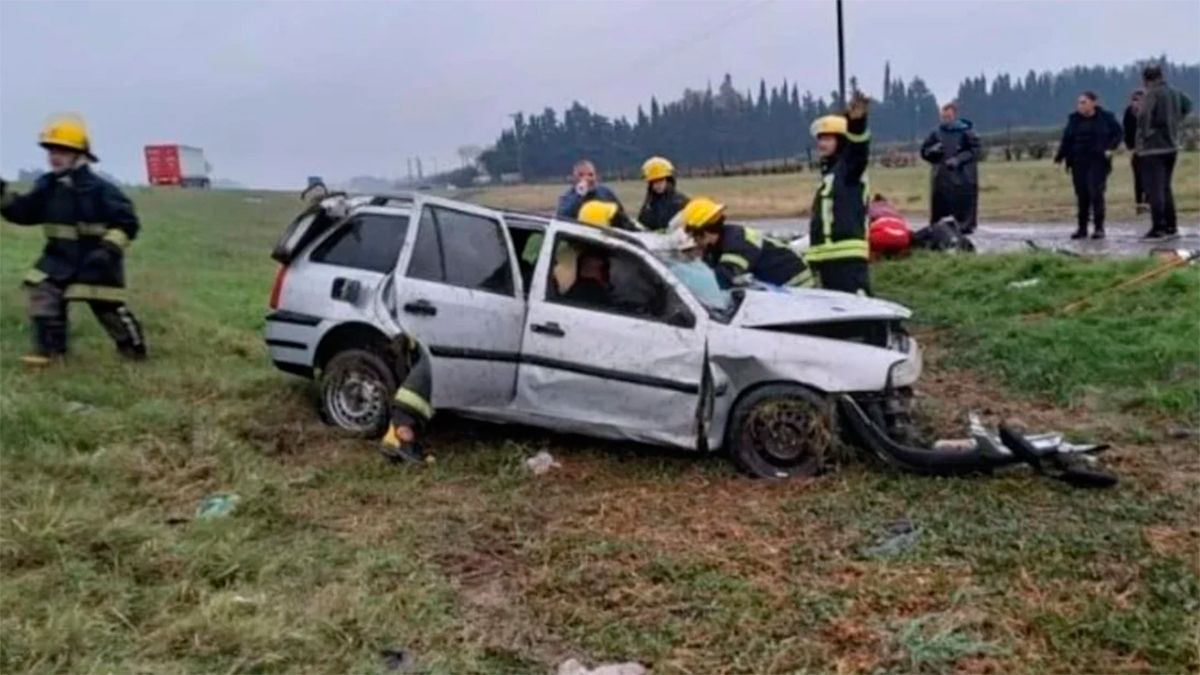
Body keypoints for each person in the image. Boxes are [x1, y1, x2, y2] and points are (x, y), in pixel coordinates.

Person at [0, 114, 147, 365]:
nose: (54, 156)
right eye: (51, 150)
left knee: (107, 308)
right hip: (58, 259)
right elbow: (26, 212)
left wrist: (108, 250)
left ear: (80, 155)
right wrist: (3, 197)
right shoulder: (47, 185)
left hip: (95, 260)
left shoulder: (102, 190)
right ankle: (52, 353)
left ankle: (133, 349)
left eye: (62, 151)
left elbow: (127, 223)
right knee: (43, 293)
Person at [806, 93, 872, 295]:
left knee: (859, 314)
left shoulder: (850, 168)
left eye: (827, 138)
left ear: (842, 140)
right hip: (827, 260)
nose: (821, 144)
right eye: (820, 139)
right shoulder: (830, 175)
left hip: (847, 260)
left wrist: (857, 122)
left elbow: (859, 149)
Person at [681, 197, 813, 290]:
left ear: (704, 232)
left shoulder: (737, 244)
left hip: (797, 285)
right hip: (777, 286)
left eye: (693, 236)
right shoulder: (719, 243)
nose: (694, 241)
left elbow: (721, 279)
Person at [1053, 91, 1123, 239]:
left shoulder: (1106, 118)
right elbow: (1067, 139)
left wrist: (1110, 148)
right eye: (1079, 102)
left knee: (1096, 193)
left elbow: (1118, 133)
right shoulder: (1074, 120)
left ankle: (1099, 228)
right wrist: (1060, 157)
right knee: (1082, 195)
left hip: (1098, 160)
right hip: (1078, 162)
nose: (1080, 105)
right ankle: (1082, 228)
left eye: (1084, 102)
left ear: (1093, 103)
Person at [1137, 64, 1194, 240]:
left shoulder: (1151, 93)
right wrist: (1177, 122)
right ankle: (1171, 226)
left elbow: (1144, 115)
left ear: (1146, 80)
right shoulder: (1174, 92)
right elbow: (1188, 105)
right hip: (1172, 146)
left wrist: (1145, 134)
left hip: (1153, 148)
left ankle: (1158, 227)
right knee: (1165, 188)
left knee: (1155, 190)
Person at [920, 103, 981, 234]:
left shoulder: (966, 132)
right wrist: (932, 151)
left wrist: (959, 160)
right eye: (943, 116)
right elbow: (924, 152)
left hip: (963, 179)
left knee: (962, 206)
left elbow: (975, 151)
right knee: (940, 207)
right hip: (941, 179)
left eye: (948, 116)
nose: (946, 119)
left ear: (954, 115)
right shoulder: (935, 133)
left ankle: (964, 227)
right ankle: (939, 229)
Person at [556, 159, 622, 220]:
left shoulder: (606, 193)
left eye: (590, 175)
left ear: (595, 176)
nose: (587, 178)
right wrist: (579, 196)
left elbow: (621, 216)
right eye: (581, 175)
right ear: (574, 177)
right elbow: (562, 218)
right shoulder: (567, 197)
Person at [637, 156, 689, 231]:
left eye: (660, 180)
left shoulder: (682, 202)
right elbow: (642, 226)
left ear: (668, 180)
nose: (657, 185)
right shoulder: (648, 205)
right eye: (654, 182)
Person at [1122, 89, 1147, 214]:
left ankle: (1149, 203)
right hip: (1135, 150)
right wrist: (1130, 147)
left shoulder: (1149, 112)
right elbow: (1126, 131)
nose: (1137, 103)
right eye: (1135, 100)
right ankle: (1139, 205)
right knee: (1138, 178)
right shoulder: (1128, 113)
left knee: (1149, 177)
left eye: (1139, 100)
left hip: (1149, 149)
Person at [867, 194, 912, 260]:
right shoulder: (893, 210)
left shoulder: (871, 208)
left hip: (880, 239)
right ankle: (897, 252)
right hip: (902, 239)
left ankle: (875, 255)